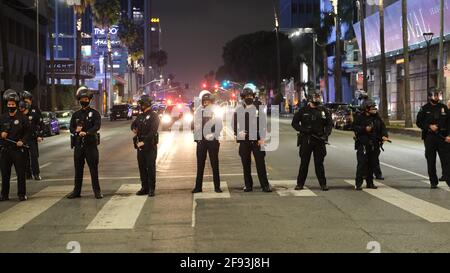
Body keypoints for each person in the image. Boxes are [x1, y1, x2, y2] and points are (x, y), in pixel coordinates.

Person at [233, 83, 272, 193]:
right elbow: (234, 124)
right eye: (246, 96)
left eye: (250, 95)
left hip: (257, 140)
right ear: (243, 97)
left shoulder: (259, 106)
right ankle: (248, 185)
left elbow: (263, 123)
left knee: (260, 164)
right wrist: (238, 133)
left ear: (253, 96)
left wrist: (262, 138)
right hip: (244, 141)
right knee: (246, 164)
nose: (249, 97)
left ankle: (265, 185)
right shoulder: (239, 108)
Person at [292, 91, 333, 191]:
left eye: (318, 98)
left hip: (319, 140)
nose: (317, 100)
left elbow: (329, 124)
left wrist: (326, 134)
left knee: (319, 164)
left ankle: (323, 184)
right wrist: (304, 130)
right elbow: (294, 123)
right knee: (304, 163)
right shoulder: (303, 110)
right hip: (307, 139)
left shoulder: (323, 110)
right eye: (316, 98)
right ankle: (300, 184)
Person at [67, 87, 103, 199]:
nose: (84, 100)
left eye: (86, 98)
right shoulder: (76, 114)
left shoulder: (95, 113)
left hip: (90, 145)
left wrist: (87, 133)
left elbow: (97, 126)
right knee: (78, 170)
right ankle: (76, 191)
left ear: (90, 99)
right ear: (79, 99)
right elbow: (71, 127)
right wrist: (75, 131)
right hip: (78, 145)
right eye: (82, 98)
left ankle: (97, 191)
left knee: (93, 169)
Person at [0, 89, 31, 201]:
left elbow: (29, 132)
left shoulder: (22, 118)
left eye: (13, 104)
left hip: (18, 150)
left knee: (20, 173)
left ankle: (21, 194)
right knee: (5, 174)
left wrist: (23, 141)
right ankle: (4, 194)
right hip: (5, 150)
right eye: (9, 104)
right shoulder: (2, 117)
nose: (11, 106)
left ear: (16, 104)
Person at [353, 100, 390, 191]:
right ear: (366, 109)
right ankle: (358, 184)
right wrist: (365, 129)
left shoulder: (377, 117)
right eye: (372, 108)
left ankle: (370, 183)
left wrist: (384, 136)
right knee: (362, 164)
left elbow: (382, 128)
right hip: (363, 144)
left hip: (374, 144)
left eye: (374, 107)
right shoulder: (360, 117)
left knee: (372, 164)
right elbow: (354, 127)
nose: (374, 109)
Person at [416, 89, 450, 189]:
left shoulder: (443, 107)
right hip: (430, 137)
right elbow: (419, 122)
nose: (436, 97)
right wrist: (429, 126)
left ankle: (448, 178)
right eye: (434, 95)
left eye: (437, 95)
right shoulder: (424, 108)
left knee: (446, 160)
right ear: (429, 97)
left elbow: (449, 122)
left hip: (442, 137)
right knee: (431, 160)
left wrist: (449, 135)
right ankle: (433, 181)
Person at [192, 90, 223, 193]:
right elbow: (195, 126)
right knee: (200, 165)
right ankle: (198, 187)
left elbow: (219, 125)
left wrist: (214, 136)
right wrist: (197, 139)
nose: (206, 103)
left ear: (211, 101)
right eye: (204, 101)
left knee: (215, 164)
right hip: (202, 142)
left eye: (207, 101)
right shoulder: (198, 111)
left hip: (212, 141)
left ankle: (217, 187)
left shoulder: (216, 111)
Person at [131, 95, 160, 197]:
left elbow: (153, 131)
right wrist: (134, 129)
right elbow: (133, 125)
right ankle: (144, 187)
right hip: (140, 145)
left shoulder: (153, 115)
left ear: (147, 103)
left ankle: (152, 188)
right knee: (142, 167)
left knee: (150, 167)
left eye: (142, 103)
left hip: (150, 145)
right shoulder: (140, 115)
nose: (140, 105)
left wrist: (145, 141)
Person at [18, 91, 44, 181]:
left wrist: (40, 135)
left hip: (32, 137)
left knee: (34, 156)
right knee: (24, 157)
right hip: (22, 138)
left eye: (27, 100)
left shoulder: (35, 109)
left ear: (30, 100)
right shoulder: (20, 110)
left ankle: (36, 173)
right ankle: (27, 173)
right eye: (24, 100)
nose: (26, 102)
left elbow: (40, 123)